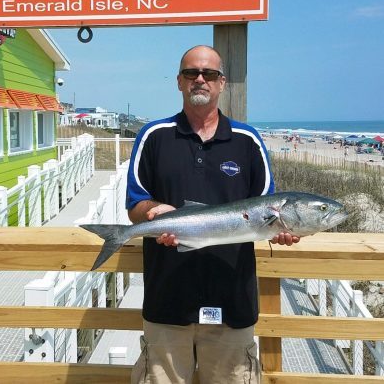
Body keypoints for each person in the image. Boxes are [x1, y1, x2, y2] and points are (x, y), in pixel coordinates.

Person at [126, 45, 299, 384]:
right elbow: (135, 205)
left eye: (209, 74)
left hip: (232, 304)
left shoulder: (247, 141)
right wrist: (153, 213)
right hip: (166, 303)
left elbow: (267, 206)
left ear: (223, 83)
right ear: (179, 82)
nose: (200, 80)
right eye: (191, 73)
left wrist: (283, 230)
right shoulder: (153, 136)